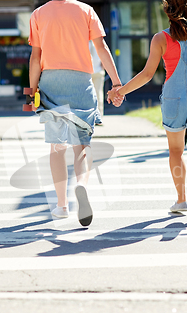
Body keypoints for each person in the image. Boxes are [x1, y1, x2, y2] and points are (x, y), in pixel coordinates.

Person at [108, 0, 187, 223]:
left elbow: (147, 75)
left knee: (175, 151)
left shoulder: (160, 39)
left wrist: (121, 91)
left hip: (173, 99)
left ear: (168, 12)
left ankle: (181, 200)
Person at [28, 0, 122, 226]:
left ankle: (62, 205)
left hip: (51, 82)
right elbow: (101, 48)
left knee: (57, 146)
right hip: (80, 82)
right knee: (82, 145)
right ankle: (82, 184)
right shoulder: (86, 11)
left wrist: (32, 92)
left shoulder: (39, 14)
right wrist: (117, 83)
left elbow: (35, 56)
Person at [89, 41, 105, 125]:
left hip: (98, 71)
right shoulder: (82, 40)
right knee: (88, 96)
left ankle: (99, 118)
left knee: (98, 94)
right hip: (87, 72)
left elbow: (104, 53)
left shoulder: (98, 41)